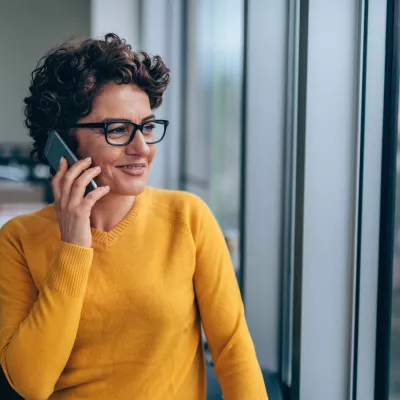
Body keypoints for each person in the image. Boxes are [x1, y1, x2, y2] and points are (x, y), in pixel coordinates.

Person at [0, 33, 268, 399]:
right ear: (62, 141)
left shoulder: (187, 218)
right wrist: (74, 247)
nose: (141, 148)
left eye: (147, 126)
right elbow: (31, 383)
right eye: (118, 130)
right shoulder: (18, 239)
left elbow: (233, 351)